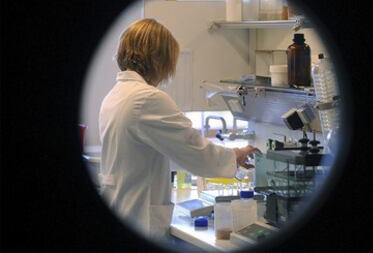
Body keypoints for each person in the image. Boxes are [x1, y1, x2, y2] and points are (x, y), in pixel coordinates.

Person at [98, 18, 258, 242]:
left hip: (122, 207)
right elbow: (195, 151)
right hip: (139, 216)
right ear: (158, 59)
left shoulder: (116, 95)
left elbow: (166, 149)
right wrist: (235, 156)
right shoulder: (147, 98)